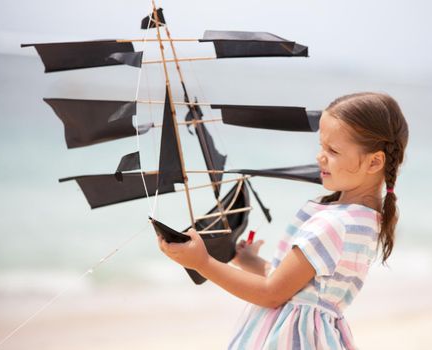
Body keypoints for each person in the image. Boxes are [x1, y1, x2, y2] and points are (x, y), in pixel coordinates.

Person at [157, 92, 409, 349]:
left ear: (375, 161)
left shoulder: (334, 224)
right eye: (322, 146)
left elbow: (272, 294)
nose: (320, 157)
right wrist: (252, 263)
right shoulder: (363, 221)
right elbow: (303, 288)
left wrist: (202, 262)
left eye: (332, 150)